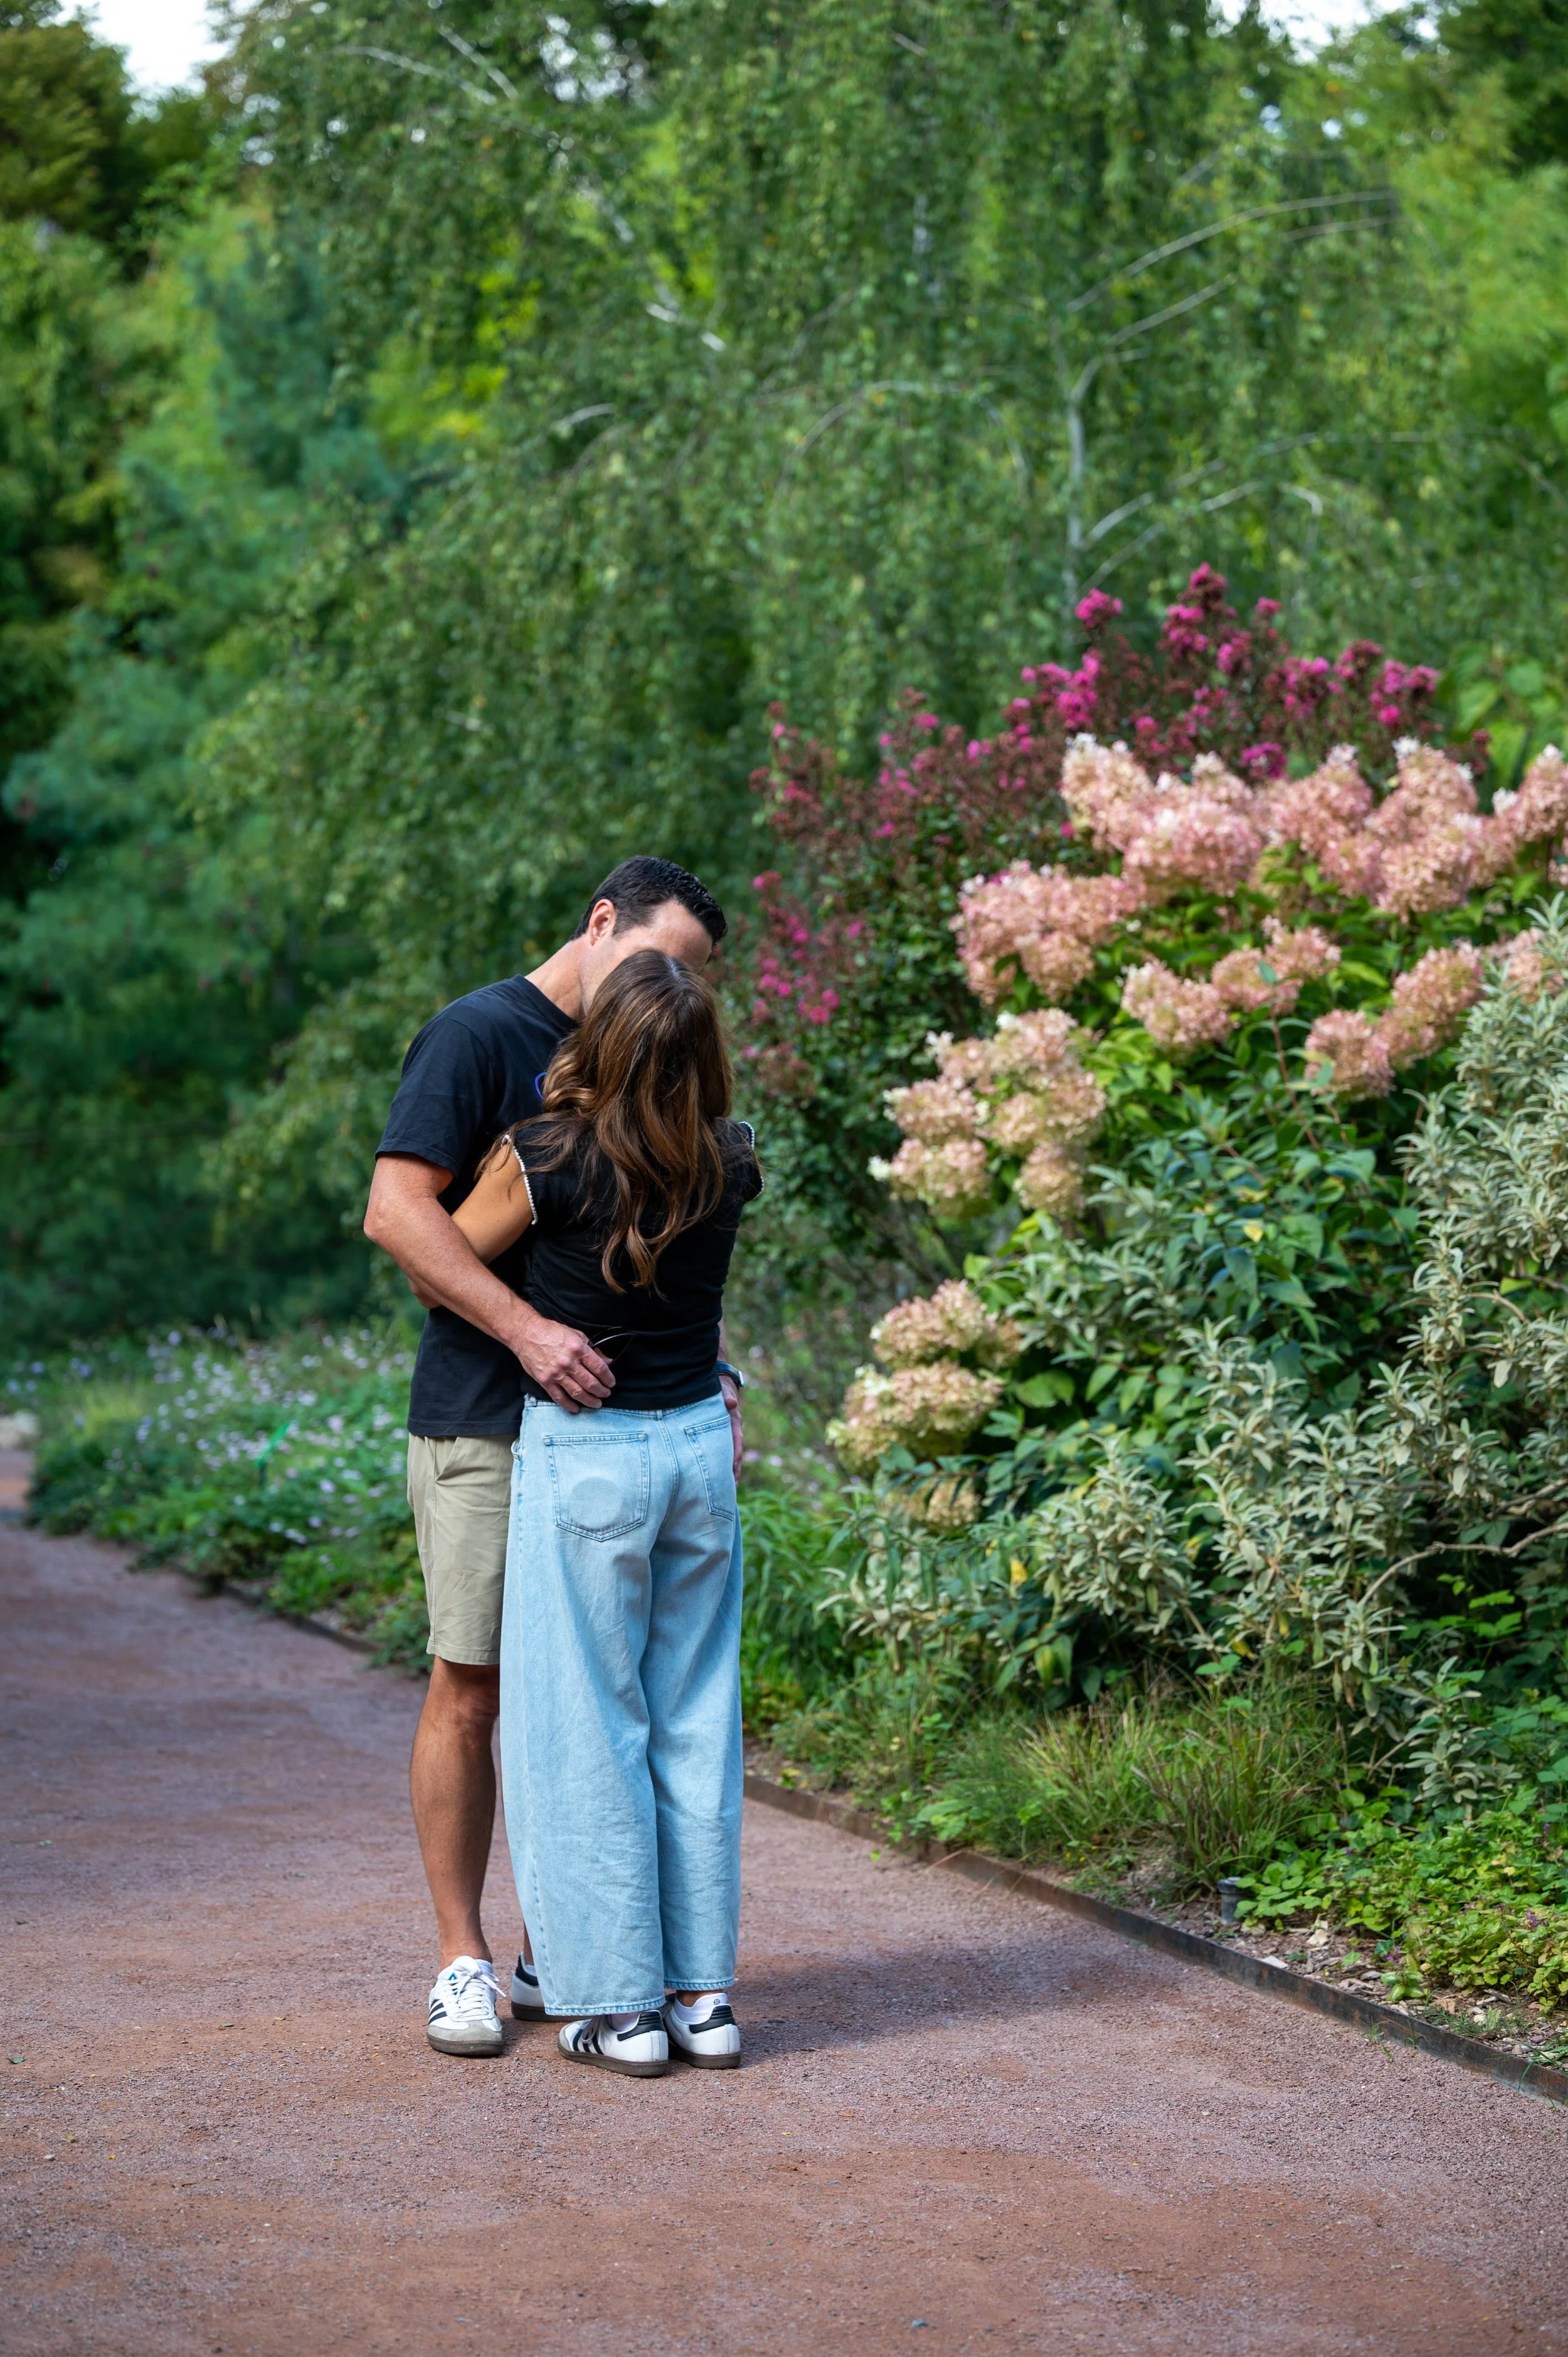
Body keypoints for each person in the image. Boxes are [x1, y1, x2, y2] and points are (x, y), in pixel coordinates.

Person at [362, 858, 743, 2057]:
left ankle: (580, 1956)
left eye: (692, 975)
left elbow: (668, 1232)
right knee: (472, 1685)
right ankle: (462, 1958)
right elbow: (395, 1217)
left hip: (616, 1434)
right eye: (660, 961)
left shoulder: (652, 1055)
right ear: (600, 926)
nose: (675, 986)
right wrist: (528, 1332)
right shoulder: (478, 1036)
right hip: (488, 1416)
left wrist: (701, 1366)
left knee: (594, 1704)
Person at [452, 947, 761, 2075]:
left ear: (603, 1044)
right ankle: (704, 2000)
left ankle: (618, 2008)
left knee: (584, 1728)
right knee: (694, 1723)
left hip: (589, 1454)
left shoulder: (546, 1156)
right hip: (696, 1450)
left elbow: (440, 1256)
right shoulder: (731, 1161)